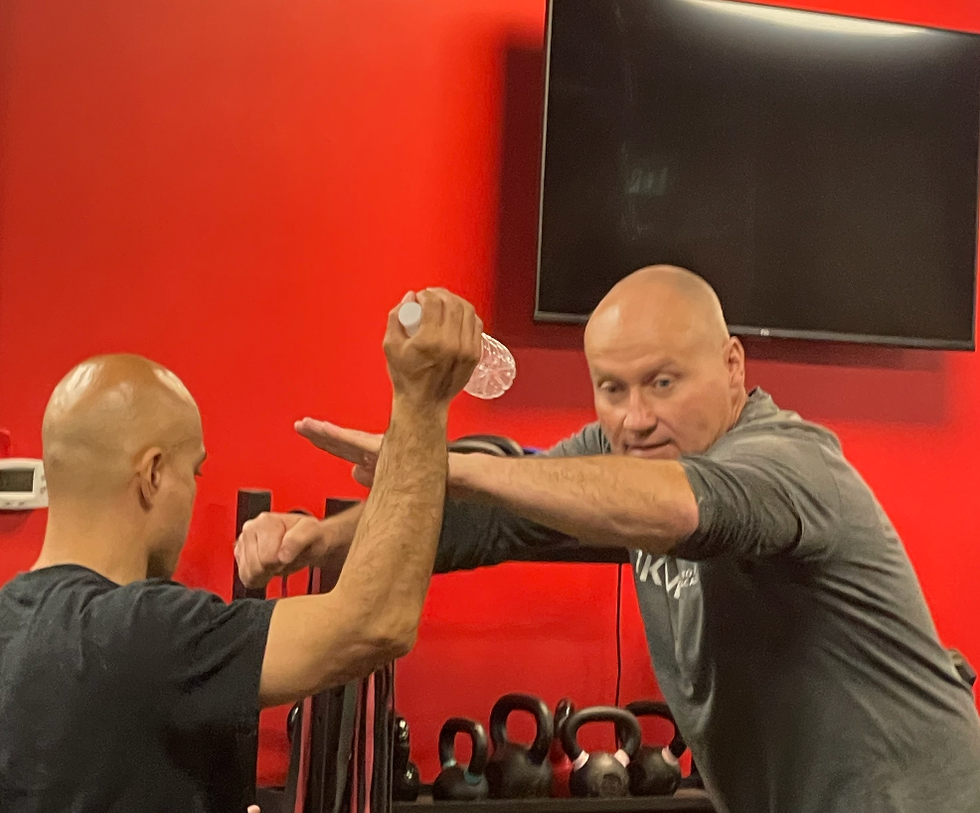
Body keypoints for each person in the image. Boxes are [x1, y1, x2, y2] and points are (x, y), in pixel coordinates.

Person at [236, 266, 980, 813]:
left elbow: (684, 506)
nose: (633, 419)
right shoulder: (624, 452)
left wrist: (442, 463)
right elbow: (484, 522)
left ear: (731, 367)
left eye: (662, 382)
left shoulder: (790, 461)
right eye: (612, 388)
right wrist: (323, 540)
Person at [0, 288, 483, 813]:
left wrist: (322, 537)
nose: (194, 488)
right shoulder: (142, 631)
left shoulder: (12, 623)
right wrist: (421, 402)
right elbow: (374, 622)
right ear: (154, 474)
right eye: (195, 470)